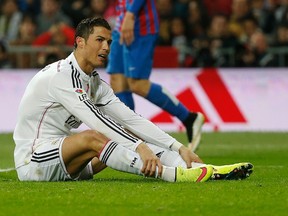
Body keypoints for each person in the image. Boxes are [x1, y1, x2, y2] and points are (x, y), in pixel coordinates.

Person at [13, 17, 253, 182]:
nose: (106, 47)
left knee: (128, 133)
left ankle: (197, 168)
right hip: (32, 161)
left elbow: (131, 119)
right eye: (100, 40)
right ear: (80, 42)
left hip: (68, 162)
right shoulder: (62, 77)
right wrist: (141, 148)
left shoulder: (94, 82)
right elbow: (96, 121)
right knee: (98, 136)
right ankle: (172, 175)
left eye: (109, 41)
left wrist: (179, 147)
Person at [106, 0, 204, 152]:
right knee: (118, 80)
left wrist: (130, 15)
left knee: (137, 84)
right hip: (122, 21)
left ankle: (189, 118)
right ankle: (130, 137)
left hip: (140, 25)